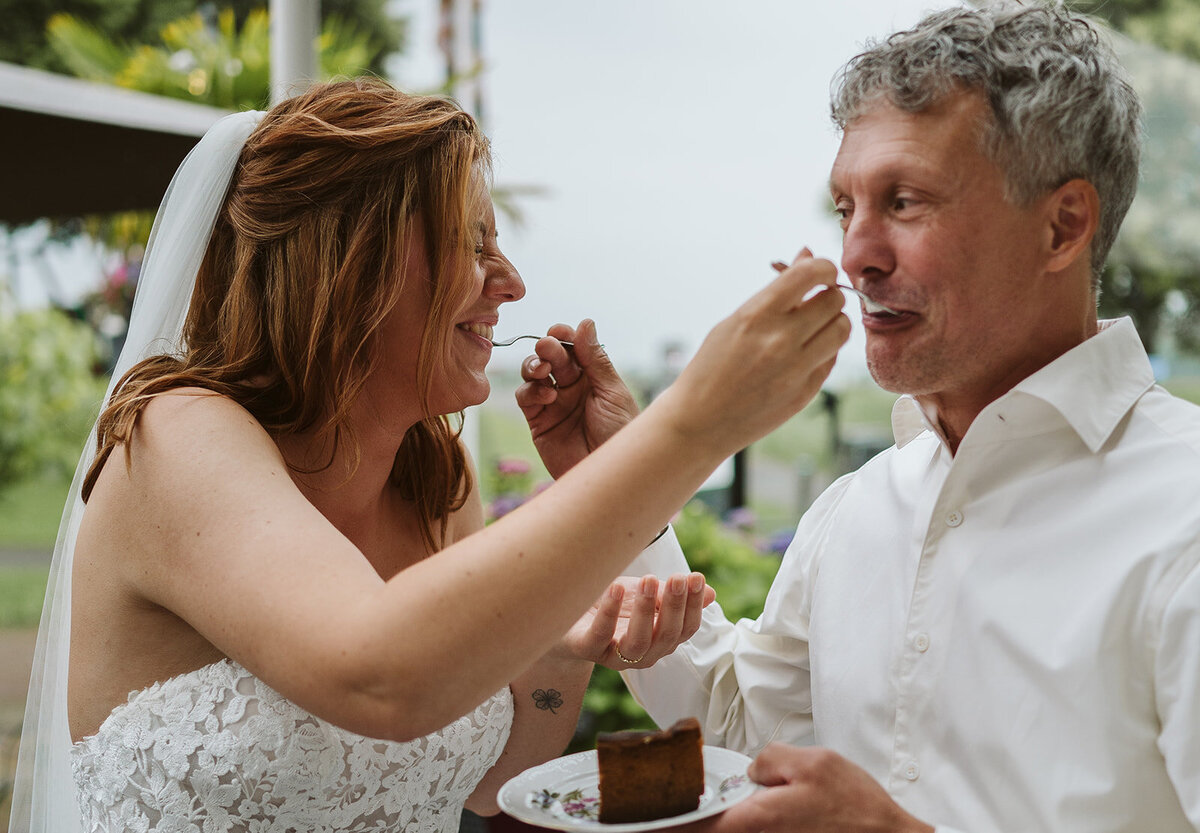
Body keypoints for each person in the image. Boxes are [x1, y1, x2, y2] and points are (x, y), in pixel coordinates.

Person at [9, 79, 852, 833]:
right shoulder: (176, 435)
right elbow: (379, 676)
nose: (512, 281)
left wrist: (558, 649)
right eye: (473, 242)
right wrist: (689, 427)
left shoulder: (434, 476)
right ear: (352, 265)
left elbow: (495, 783)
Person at [517, 4, 1200, 832]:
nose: (855, 256)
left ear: (1063, 226)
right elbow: (743, 727)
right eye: (846, 208)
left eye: (905, 201)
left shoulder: (1184, 514)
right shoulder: (859, 508)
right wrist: (620, 485)